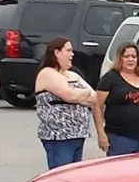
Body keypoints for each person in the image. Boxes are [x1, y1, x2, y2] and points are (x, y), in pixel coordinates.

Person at [34, 37, 96, 169]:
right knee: (61, 175)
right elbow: (71, 96)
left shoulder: (72, 75)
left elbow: (94, 97)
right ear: (57, 53)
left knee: (74, 176)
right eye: (68, 50)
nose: (72, 54)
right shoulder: (47, 73)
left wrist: (78, 95)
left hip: (78, 134)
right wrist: (82, 93)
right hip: (59, 137)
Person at [93, 42, 139, 156]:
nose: (130, 60)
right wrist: (101, 133)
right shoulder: (110, 78)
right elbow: (96, 107)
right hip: (120, 138)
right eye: (126, 56)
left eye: (134, 57)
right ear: (120, 58)